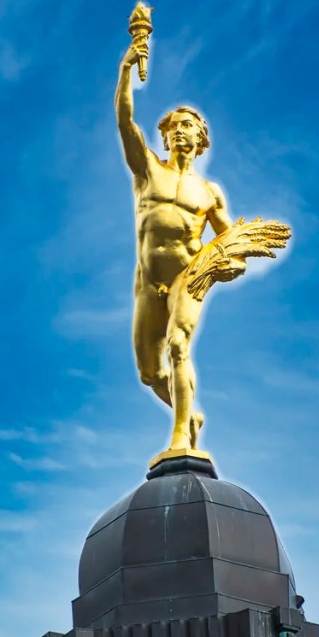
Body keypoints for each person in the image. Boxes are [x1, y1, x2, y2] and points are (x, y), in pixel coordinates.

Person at [115, 37, 270, 453]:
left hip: (188, 276)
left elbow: (228, 243)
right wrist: (126, 69)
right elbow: (126, 122)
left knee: (179, 345)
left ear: (201, 139)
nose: (179, 131)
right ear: (164, 137)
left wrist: (230, 264)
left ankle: (181, 434)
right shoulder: (148, 170)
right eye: (173, 126)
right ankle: (187, 412)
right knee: (149, 371)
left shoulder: (209, 192)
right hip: (149, 283)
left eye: (188, 126)